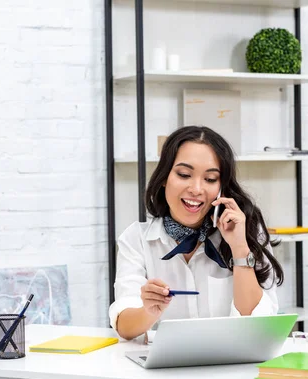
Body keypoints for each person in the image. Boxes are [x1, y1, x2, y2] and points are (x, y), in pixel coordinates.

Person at [108, 126, 284, 340]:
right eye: (184, 175)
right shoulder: (136, 239)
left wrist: (239, 249)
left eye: (210, 179)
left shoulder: (247, 232)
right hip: (164, 369)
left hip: (232, 367)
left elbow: (259, 327)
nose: (196, 189)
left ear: (222, 187)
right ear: (164, 177)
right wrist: (148, 310)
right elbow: (124, 327)